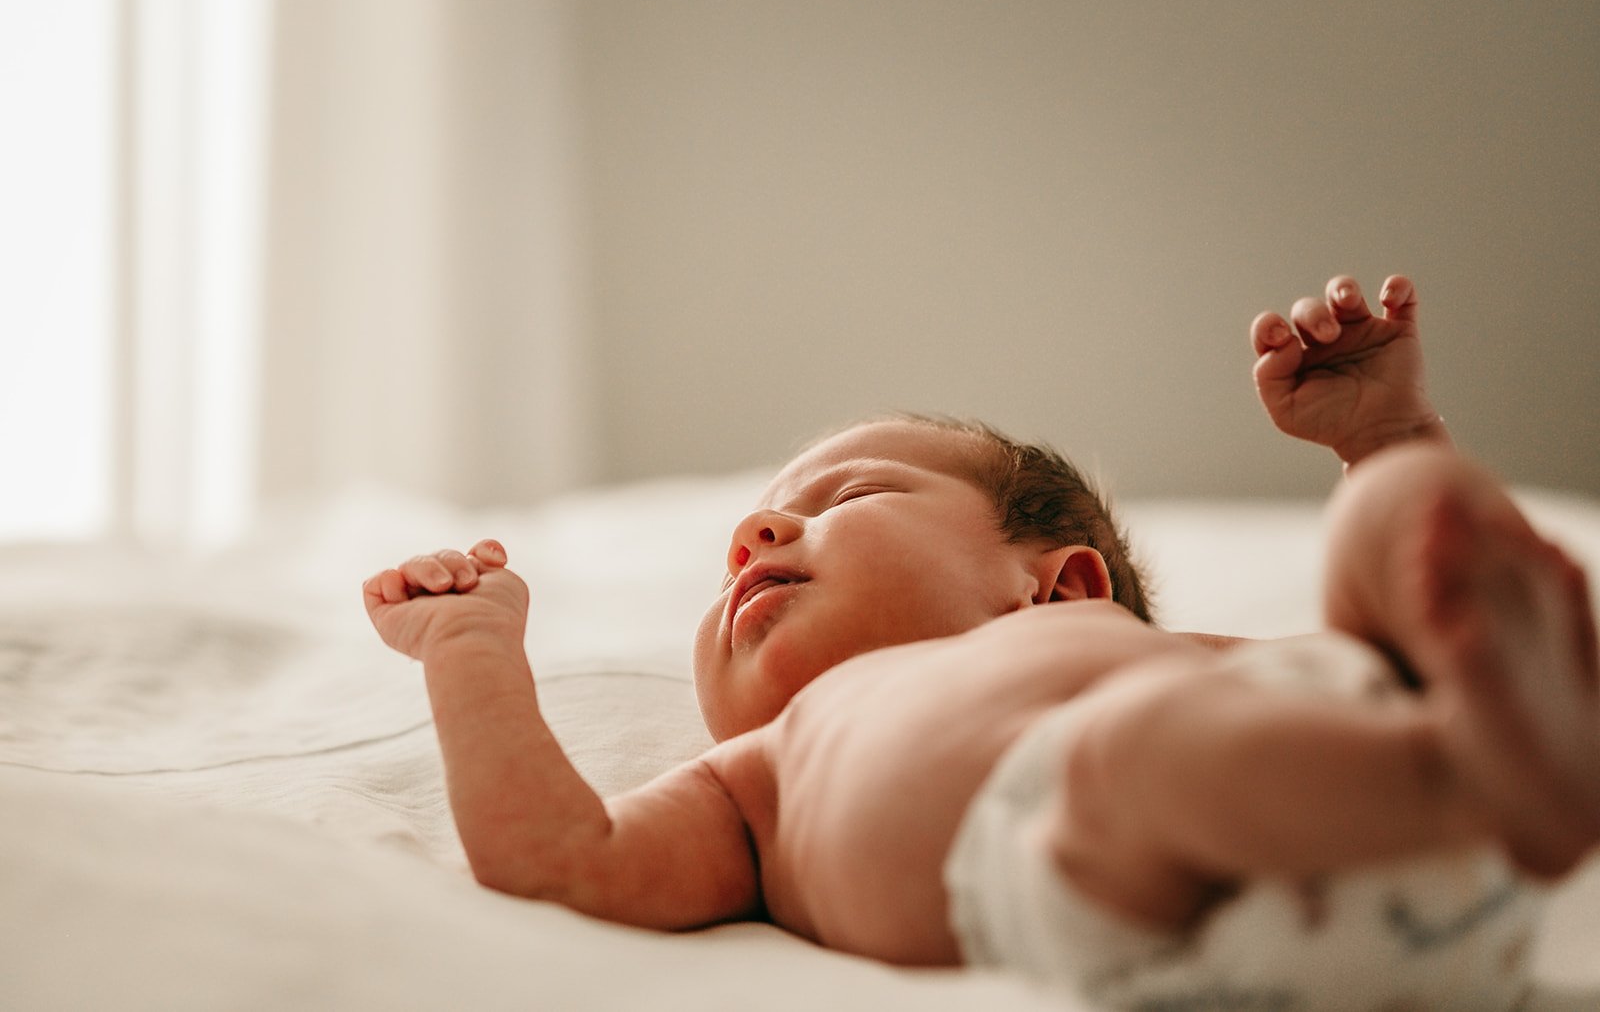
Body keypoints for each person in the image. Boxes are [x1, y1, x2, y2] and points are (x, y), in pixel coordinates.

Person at [363, 275, 1599, 1009]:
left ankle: (1474, 698)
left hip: (1344, 808)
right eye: (741, 545)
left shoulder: (1149, 652)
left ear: (1059, 587)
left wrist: (1382, 440)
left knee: (1376, 549)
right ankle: (1476, 767)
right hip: (1142, 893)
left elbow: (1340, 666)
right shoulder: (753, 781)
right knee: (1133, 755)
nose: (755, 532)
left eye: (846, 499)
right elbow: (556, 857)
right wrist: (474, 645)